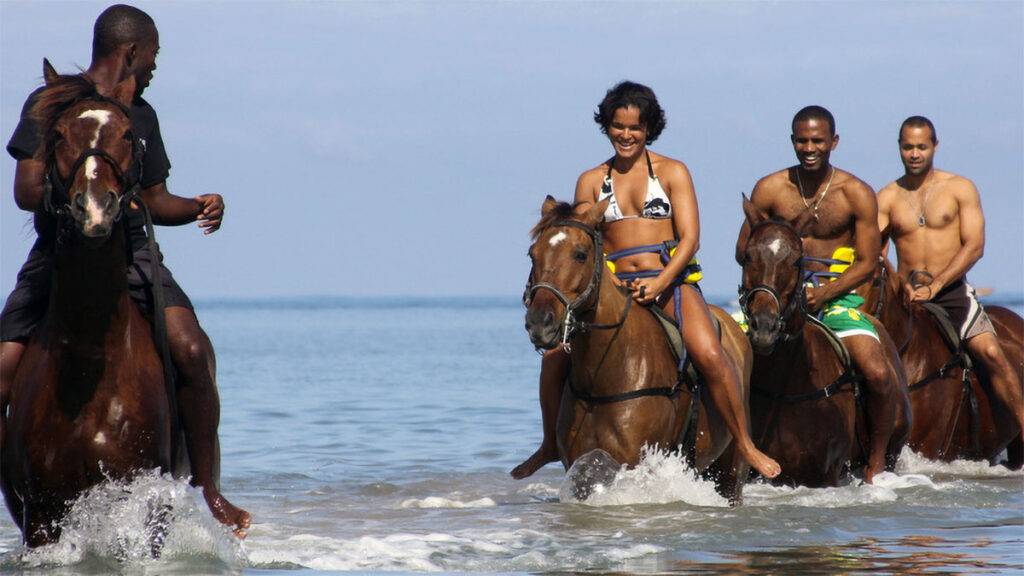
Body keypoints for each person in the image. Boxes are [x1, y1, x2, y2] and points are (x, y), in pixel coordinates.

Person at [0, 4, 250, 535]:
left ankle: (210, 491)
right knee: (1, 368)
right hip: (59, 252)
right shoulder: (49, 104)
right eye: (154, 55)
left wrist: (200, 205)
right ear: (132, 51)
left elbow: (156, 200)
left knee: (192, 350)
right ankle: (16, 492)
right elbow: (25, 192)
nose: (156, 67)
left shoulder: (143, 118)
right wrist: (85, 198)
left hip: (133, 252)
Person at [511, 81, 781, 480]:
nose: (626, 135)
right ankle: (550, 444)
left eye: (635, 127)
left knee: (709, 352)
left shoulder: (672, 172)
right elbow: (581, 241)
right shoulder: (590, 180)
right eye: (618, 126)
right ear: (607, 126)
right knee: (554, 358)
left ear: (648, 129)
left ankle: (743, 443)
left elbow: (690, 239)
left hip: (670, 281)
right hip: (613, 285)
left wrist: (660, 284)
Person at [734, 105, 900, 483]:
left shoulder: (856, 193)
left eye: (818, 141)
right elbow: (743, 250)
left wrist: (824, 294)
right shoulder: (770, 188)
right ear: (793, 141)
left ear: (833, 142)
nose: (810, 148)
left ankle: (874, 465)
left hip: (836, 299)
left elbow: (868, 261)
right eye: (802, 140)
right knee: (723, 354)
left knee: (875, 369)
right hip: (774, 297)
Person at [877, 116, 1024, 432]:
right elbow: (875, 253)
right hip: (906, 297)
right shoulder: (887, 197)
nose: (914, 154)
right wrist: (897, 283)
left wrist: (938, 285)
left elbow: (975, 246)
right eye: (907, 147)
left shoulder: (959, 188)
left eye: (921, 147)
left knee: (991, 351)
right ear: (899, 148)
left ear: (934, 146)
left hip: (952, 291)